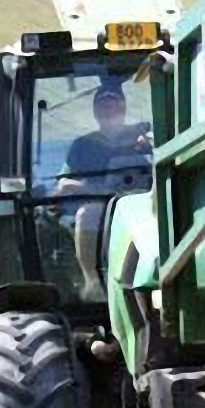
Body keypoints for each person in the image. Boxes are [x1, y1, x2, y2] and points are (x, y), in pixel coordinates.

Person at [54, 82, 151, 302]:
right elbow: (64, 184)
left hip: (140, 205)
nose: (110, 110)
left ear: (124, 108)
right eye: (104, 105)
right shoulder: (83, 146)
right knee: (89, 214)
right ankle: (93, 282)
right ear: (96, 111)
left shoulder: (141, 142)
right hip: (100, 208)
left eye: (115, 104)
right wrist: (96, 189)